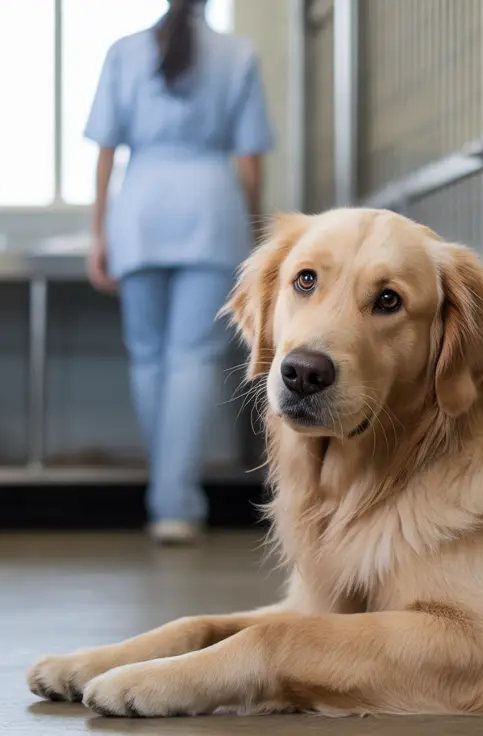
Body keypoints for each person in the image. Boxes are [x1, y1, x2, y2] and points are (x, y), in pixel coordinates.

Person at [84, 0, 273, 545]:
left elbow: (105, 152)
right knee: (193, 356)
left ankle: (163, 496)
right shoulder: (238, 54)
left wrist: (99, 232)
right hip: (212, 213)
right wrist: (256, 233)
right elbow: (250, 161)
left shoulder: (124, 53)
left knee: (149, 357)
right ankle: (176, 505)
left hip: (139, 211)